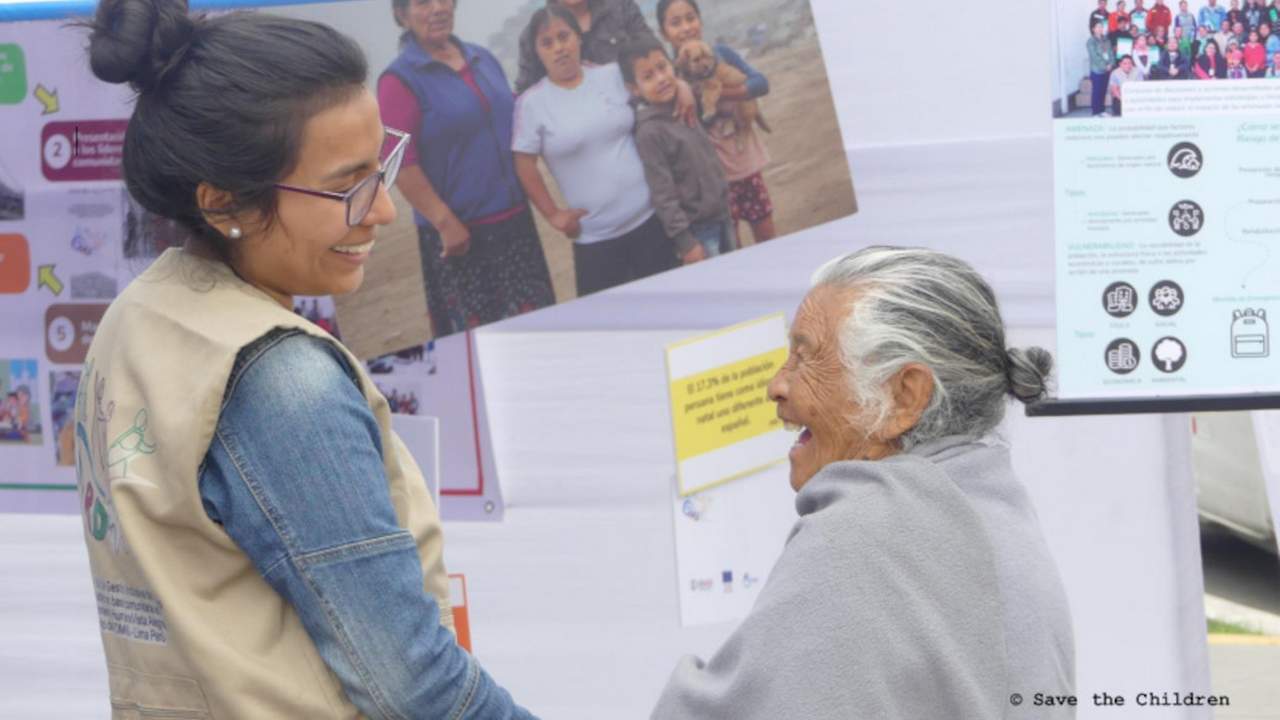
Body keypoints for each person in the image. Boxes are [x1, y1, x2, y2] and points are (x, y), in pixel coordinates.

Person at [75, 1, 536, 717]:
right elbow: (414, 686)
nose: (382, 210)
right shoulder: (281, 382)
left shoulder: (138, 317)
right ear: (224, 201)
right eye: (344, 185)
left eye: (380, 165)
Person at [650, 247, 1074, 719]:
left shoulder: (863, 535)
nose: (776, 384)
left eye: (806, 357)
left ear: (904, 396)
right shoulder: (1003, 517)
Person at [379, 0, 555, 339]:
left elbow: (519, 120)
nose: (438, 8)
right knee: (484, 345)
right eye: (422, 2)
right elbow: (399, 161)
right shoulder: (398, 80)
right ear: (402, 15)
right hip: (461, 237)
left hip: (515, 224)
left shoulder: (482, 58)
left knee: (537, 330)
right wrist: (444, 221)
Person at [513, 7, 675, 296]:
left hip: (652, 222)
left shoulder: (612, 75)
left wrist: (683, 90)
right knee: (611, 332)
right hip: (596, 242)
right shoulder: (532, 104)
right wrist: (553, 215)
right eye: (547, 43)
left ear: (578, 37)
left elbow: (655, 96)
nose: (559, 48)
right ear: (537, 52)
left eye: (564, 36)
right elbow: (524, 163)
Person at [659, 0, 778, 246]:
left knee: (767, 235)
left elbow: (761, 83)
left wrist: (721, 92)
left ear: (700, 21)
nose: (686, 28)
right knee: (731, 245)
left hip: (746, 166)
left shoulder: (722, 53)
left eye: (690, 18)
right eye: (675, 23)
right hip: (712, 181)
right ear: (664, 33)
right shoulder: (671, 75)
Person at [621, 39, 732, 266]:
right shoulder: (649, 133)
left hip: (722, 215)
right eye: (648, 76)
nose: (661, 78)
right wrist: (686, 243)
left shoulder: (685, 107)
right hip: (698, 230)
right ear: (634, 88)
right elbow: (663, 195)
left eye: (662, 67)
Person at [514, 0, 657, 94]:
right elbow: (526, 95)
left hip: (635, 112)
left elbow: (654, 53)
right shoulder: (534, 36)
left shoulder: (621, 7)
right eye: (548, 44)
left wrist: (677, 86)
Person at [1088, 22, 1116, 114]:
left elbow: (1111, 53)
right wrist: (1105, 66)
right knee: (1097, 92)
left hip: (1107, 70)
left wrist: (1111, 64)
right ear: (1093, 29)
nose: (1100, 29)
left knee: (1103, 91)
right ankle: (1096, 112)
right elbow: (1094, 56)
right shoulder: (1091, 41)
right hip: (1097, 70)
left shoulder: (1106, 39)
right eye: (1098, 27)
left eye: (1101, 27)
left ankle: (1102, 110)